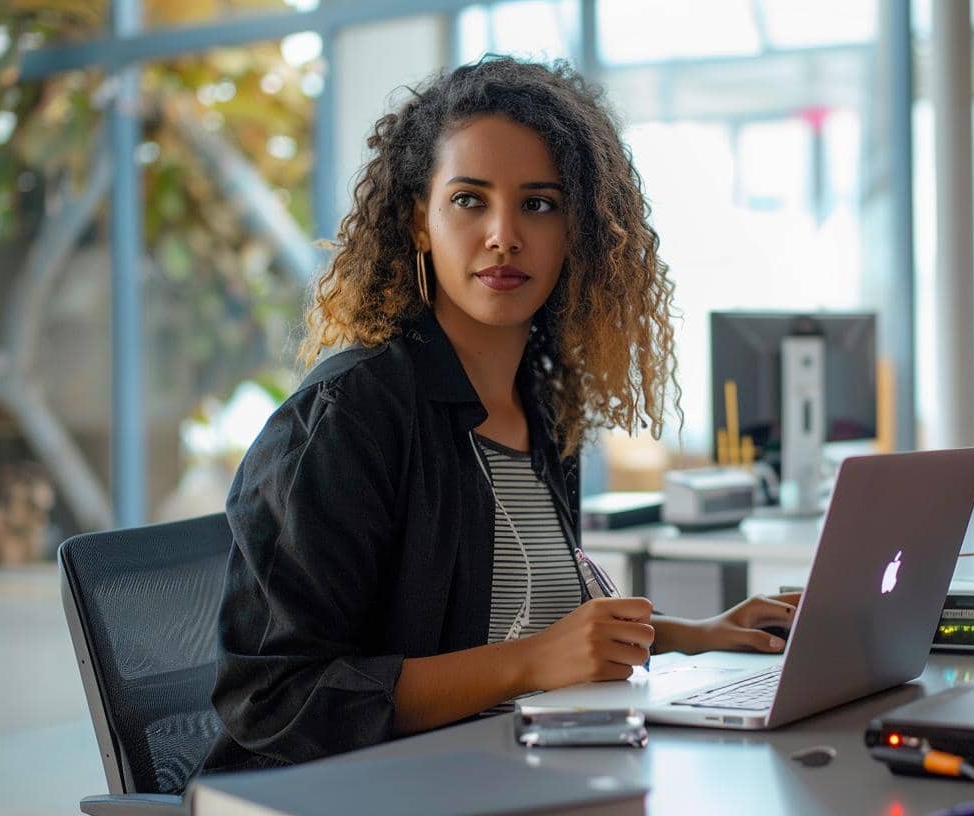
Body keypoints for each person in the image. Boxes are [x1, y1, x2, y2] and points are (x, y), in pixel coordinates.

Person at [201, 57, 800, 774]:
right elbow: (275, 699)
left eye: (539, 204)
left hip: (492, 773)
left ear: (576, 231)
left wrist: (696, 635)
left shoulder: (539, 403)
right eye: (469, 200)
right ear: (416, 222)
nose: (504, 236)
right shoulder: (350, 414)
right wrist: (531, 665)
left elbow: (531, 623)